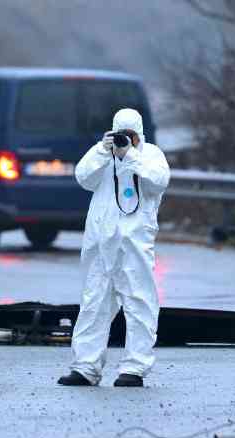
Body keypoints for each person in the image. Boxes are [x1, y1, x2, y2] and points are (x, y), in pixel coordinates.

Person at [58, 108, 171, 388]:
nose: (126, 140)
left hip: (133, 242)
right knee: (93, 302)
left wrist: (129, 156)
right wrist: (102, 150)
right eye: (122, 135)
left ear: (140, 134)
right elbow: (83, 177)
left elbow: (158, 182)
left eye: (131, 135)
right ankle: (85, 367)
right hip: (100, 242)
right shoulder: (103, 155)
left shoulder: (150, 155)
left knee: (139, 302)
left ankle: (135, 367)